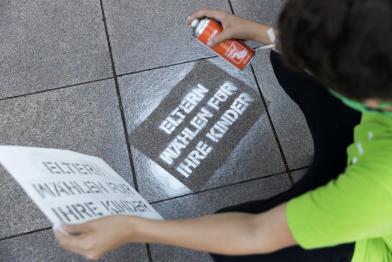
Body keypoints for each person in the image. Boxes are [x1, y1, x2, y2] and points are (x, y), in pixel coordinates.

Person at [55, 1, 392, 261]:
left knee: (238, 250)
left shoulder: (380, 189)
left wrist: (133, 227)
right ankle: (333, 162)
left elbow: (254, 233)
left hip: (369, 231)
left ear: (373, 98)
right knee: (286, 58)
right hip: (369, 156)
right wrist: (264, 33)